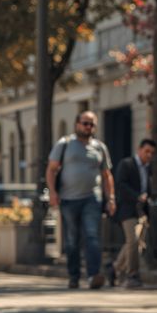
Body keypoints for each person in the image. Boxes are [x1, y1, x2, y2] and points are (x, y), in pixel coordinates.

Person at [47, 111, 116, 289]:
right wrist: (52, 193)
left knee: (92, 236)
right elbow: (51, 169)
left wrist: (111, 199)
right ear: (77, 124)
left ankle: (94, 275)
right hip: (68, 199)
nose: (88, 127)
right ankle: (74, 275)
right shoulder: (65, 144)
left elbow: (107, 175)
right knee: (72, 240)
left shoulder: (100, 147)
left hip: (92, 198)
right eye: (85, 123)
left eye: (91, 124)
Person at [109, 139, 155, 288]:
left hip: (141, 211)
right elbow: (121, 185)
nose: (149, 155)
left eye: (152, 153)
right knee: (133, 241)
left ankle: (115, 268)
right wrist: (137, 196)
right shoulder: (126, 164)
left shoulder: (148, 168)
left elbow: (147, 188)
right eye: (147, 151)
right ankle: (132, 275)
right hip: (127, 210)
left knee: (136, 243)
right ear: (139, 150)